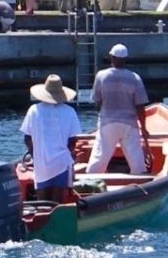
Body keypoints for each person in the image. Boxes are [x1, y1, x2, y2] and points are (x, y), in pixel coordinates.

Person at [87, 44, 149, 175]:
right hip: (129, 124)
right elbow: (140, 106)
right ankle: (141, 178)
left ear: (112, 57)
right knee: (136, 158)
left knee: (100, 155)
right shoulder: (135, 78)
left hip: (107, 122)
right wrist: (143, 128)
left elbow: (97, 100)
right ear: (125, 59)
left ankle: (90, 179)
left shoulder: (101, 76)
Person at [20, 74, 82, 203]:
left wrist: (35, 156)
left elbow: (27, 139)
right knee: (57, 202)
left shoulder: (33, 110)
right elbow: (72, 141)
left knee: (42, 203)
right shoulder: (69, 111)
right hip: (61, 163)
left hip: (41, 164)